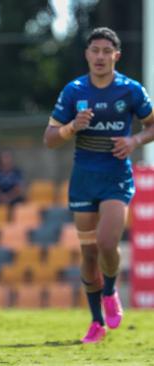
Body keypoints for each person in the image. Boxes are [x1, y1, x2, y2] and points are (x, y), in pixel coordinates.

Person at [44, 27, 154, 344]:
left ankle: (110, 291)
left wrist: (134, 140)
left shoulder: (130, 90)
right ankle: (96, 322)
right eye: (96, 50)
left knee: (108, 243)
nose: (101, 56)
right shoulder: (74, 91)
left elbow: (151, 125)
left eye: (107, 51)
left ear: (116, 56)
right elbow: (49, 139)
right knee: (89, 254)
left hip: (116, 177)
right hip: (84, 179)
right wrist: (71, 128)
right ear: (87, 55)